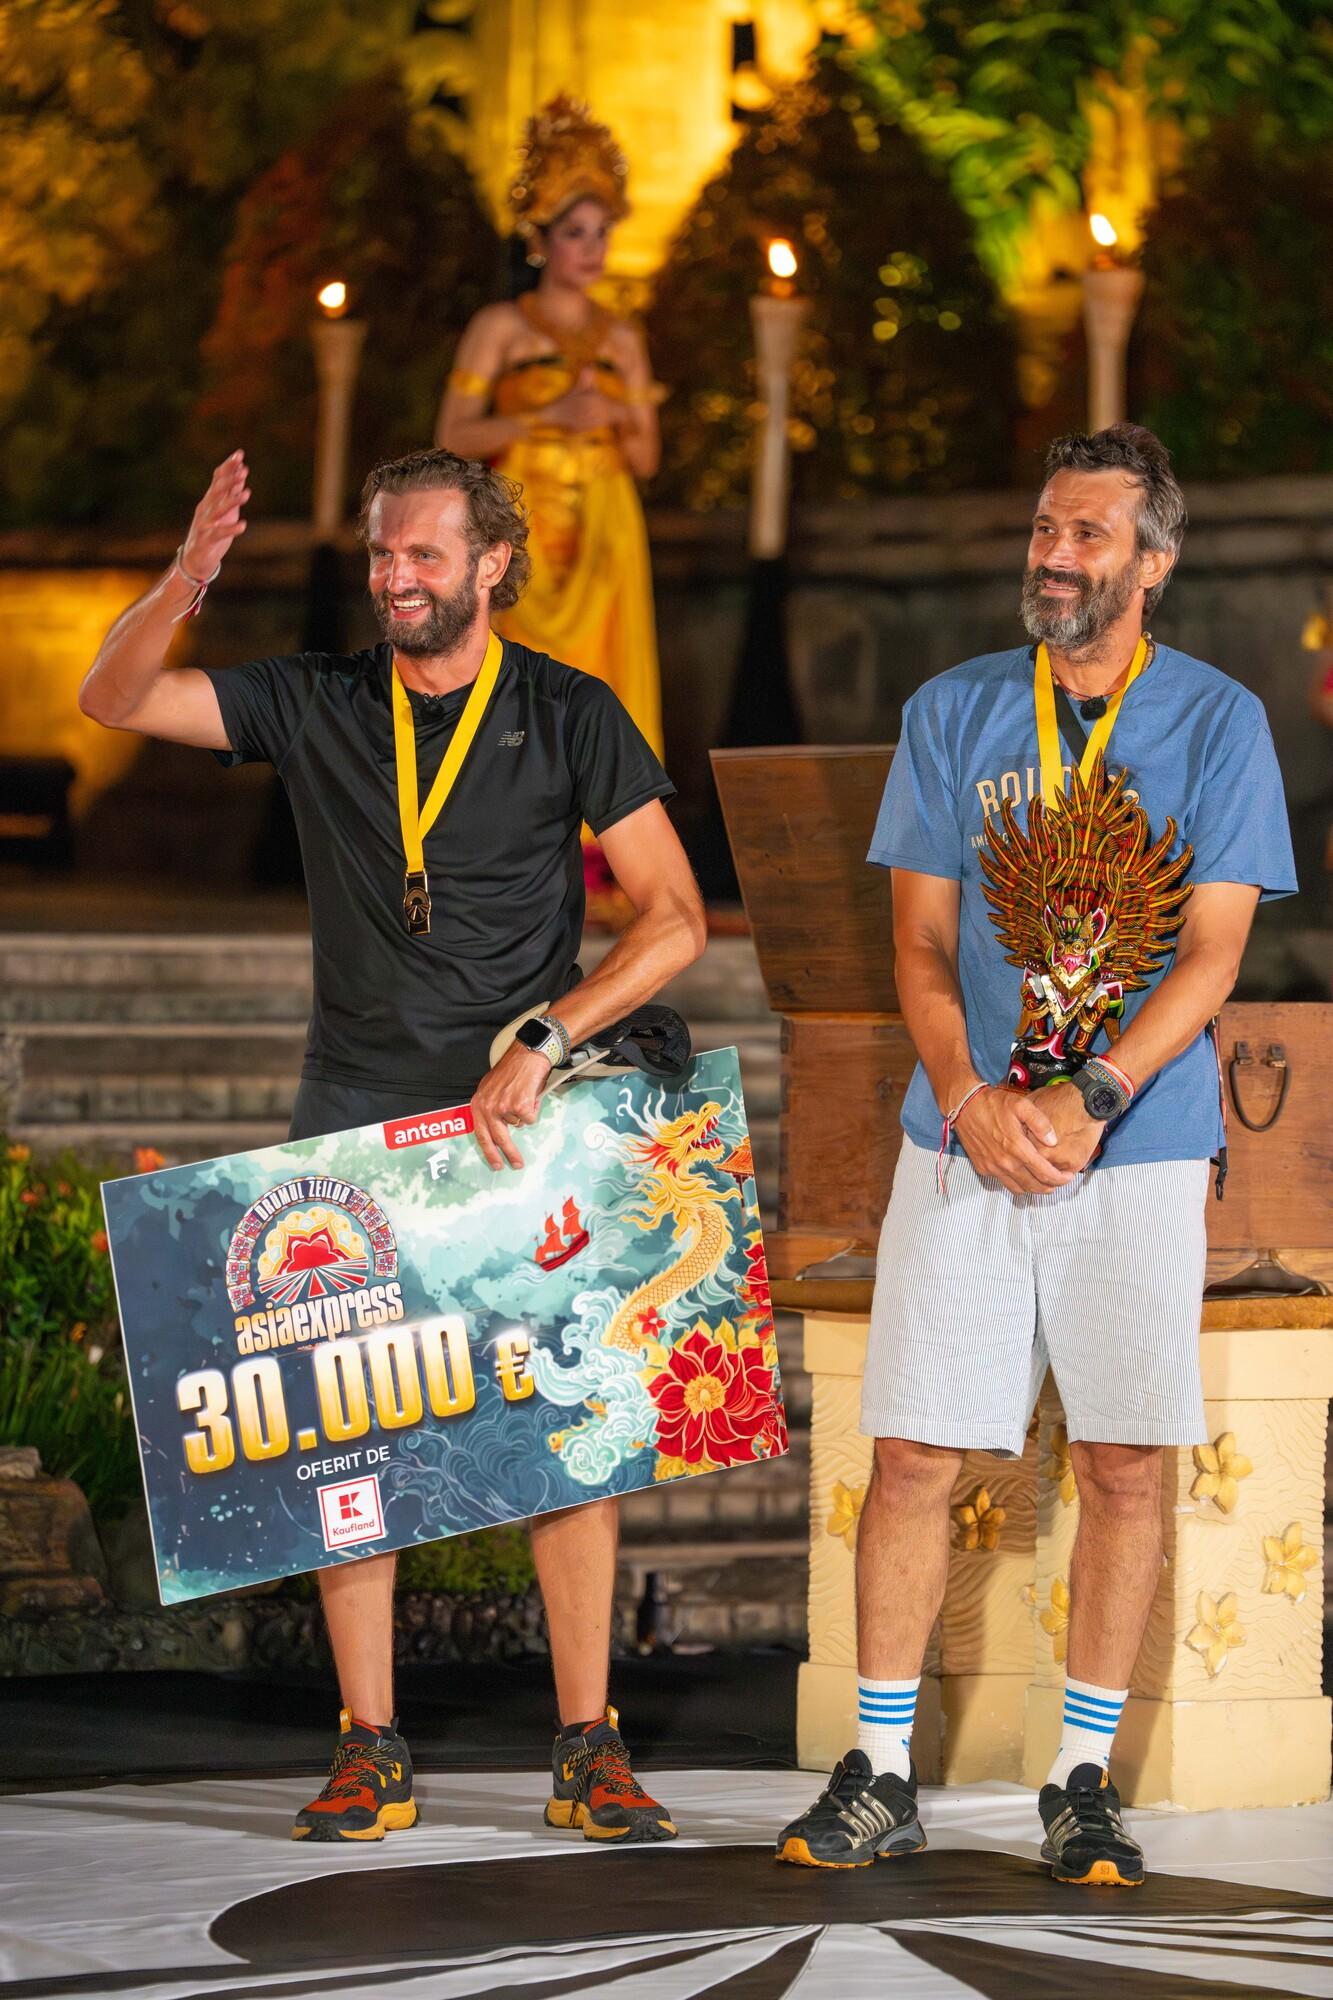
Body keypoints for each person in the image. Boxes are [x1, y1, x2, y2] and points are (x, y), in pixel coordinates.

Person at [79, 443, 706, 1845]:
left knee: (569, 1431)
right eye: (380, 552)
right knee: (343, 1449)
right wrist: (184, 577)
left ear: (492, 563)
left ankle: (588, 1744)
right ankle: (371, 1744)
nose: (395, 577)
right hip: (349, 1119)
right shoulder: (316, 699)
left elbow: (673, 920)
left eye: (423, 553)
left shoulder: (569, 709)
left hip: (516, 1127)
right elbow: (112, 697)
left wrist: (549, 1032)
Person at [776, 423, 1296, 1886]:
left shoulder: (1217, 720)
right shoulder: (952, 710)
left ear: (1153, 562)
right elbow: (919, 939)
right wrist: (967, 1094)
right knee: (912, 1450)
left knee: (1123, 1461)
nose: (1054, 555)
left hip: (1137, 1146)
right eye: (1044, 529)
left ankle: (1081, 1781)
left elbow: (1214, 952)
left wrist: (1095, 1095)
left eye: (1086, 534)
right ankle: (879, 1771)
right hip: (965, 1138)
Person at [436, 94, 664, 917]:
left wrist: (622, 415)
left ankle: (603, 860)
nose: (591, 249)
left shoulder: (623, 338)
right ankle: (505, 851)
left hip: (604, 523)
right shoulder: (501, 327)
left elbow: (645, 458)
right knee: (515, 680)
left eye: (601, 232)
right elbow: (453, 435)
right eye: (574, 232)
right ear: (539, 239)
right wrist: (547, 417)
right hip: (525, 518)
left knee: (605, 679)